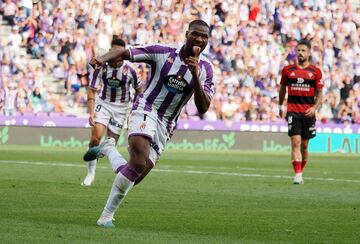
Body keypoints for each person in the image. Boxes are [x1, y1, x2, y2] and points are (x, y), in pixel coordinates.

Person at [84, 19, 214, 227]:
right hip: (146, 108)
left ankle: (109, 149)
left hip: (167, 124)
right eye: (195, 34)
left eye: (204, 36)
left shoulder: (206, 68)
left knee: (133, 174)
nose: (199, 39)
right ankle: (106, 217)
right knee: (137, 161)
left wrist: (196, 75)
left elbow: (203, 107)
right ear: (187, 34)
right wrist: (101, 58)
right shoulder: (163, 52)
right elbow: (125, 53)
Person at [81, 38, 142, 186]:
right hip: (104, 104)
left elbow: (139, 90)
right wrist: (90, 112)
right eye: (111, 51)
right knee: (95, 138)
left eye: (117, 51)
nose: (113, 54)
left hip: (122, 108)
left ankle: (102, 150)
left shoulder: (131, 70)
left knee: (111, 143)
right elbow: (92, 89)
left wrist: (134, 112)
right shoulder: (101, 67)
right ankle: (90, 174)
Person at [279, 39, 323, 184]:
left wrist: (315, 108)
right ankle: (297, 174)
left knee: (304, 146)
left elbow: (320, 93)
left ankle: (301, 170)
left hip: (308, 113)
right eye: (298, 50)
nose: (300, 53)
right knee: (296, 142)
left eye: (303, 50)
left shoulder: (315, 72)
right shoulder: (288, 70)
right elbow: (282, 89)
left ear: (309, 53)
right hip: (293, 111)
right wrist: (280, 106)